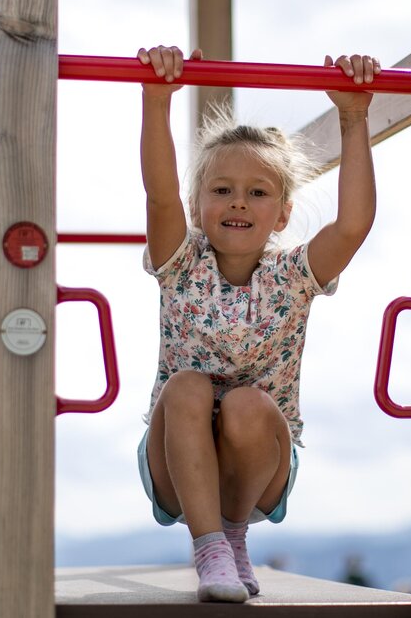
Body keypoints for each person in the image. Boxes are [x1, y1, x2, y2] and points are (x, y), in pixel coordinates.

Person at [134, 45, 380, 603]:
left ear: (284, 212)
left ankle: (235, 533)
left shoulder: (293, 276)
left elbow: (353, 225)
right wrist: (155, 102)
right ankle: (210, 546)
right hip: (176, 461)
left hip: (259, 466)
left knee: (246, 402)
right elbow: (158, 195)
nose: (238, 202)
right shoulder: (181, 263)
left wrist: (353, 117)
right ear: (198, 206)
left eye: (258, 192)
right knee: (189, 386)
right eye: (221, 190)